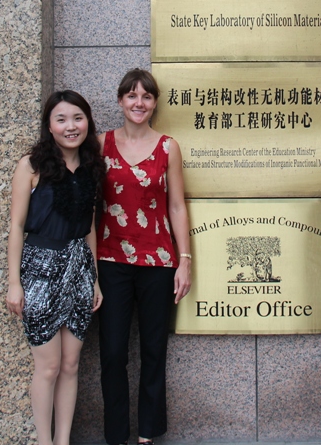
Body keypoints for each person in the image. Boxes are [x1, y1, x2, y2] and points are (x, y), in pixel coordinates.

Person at [97, 68, 191, 445]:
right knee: (112, 353)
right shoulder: (100, 144)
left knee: (154, 350)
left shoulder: (168, 147)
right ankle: (116, 436)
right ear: (120, 100)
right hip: (110, 261)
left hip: (158, 263)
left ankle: (147, 435)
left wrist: (185, 260)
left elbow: (177, 206)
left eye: (147, 96)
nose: (139, 103)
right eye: (132, 95)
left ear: (154, 104)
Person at [6, 90, 105, 445]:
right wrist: (14, 283)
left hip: (79, 268)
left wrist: (94, 279)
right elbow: (17, 225)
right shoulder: (31, 166)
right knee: (48, 366)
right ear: (49, 125)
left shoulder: (92, 166)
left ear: (87, 121)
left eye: (77, 118)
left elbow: (90, 226)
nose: (70, 126)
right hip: (40, 269)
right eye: (61, 119)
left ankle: (63, 441)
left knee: (70, 365)